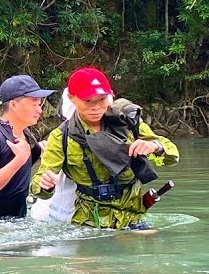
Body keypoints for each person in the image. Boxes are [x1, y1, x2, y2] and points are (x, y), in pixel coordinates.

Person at [31, 67, 179, 230]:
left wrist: (155, 147)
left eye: (101, 99)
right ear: (72, 98)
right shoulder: (61, 137)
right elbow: (39, 186)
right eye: (88, 101)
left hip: (133, 216)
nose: (96, 107)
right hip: (89, 222)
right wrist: (46, 184)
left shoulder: (127, 123)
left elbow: (172, 156)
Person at [0, 75, 54, 222]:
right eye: (34, 104)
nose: (39, 110)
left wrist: (41, 155)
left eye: (40, 105)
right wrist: (19, 159)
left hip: (17, 221)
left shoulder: (27, 135)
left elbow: (20, 172)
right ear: (13, 105)